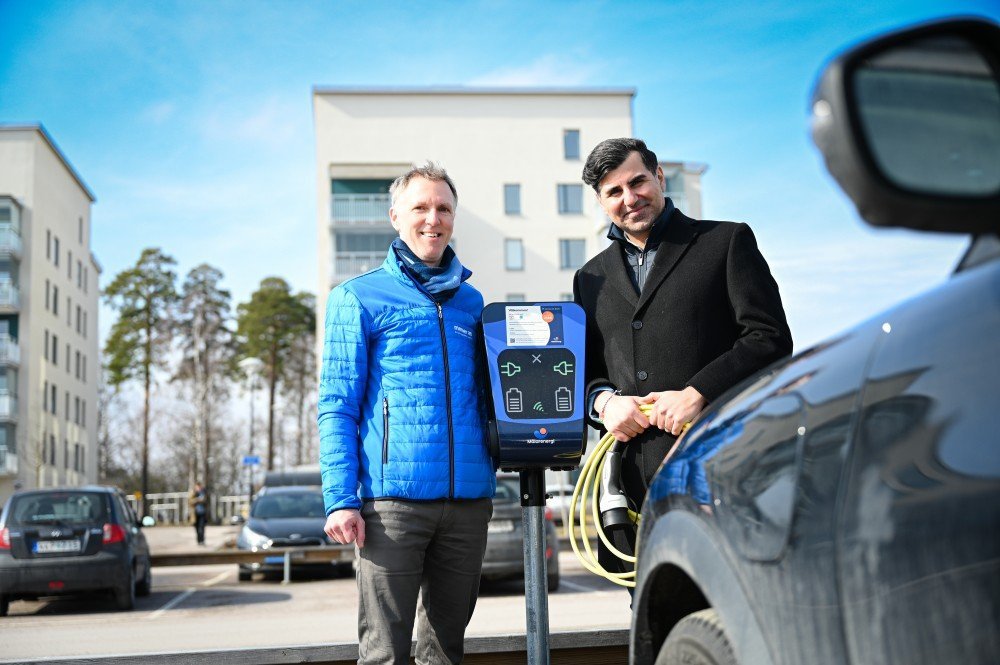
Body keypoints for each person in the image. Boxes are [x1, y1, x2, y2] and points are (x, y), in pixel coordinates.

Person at [573, 137, 793, 583]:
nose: (629, 198)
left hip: (721, 468)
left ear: (658, 176)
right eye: (613, 192)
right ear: (601, 202)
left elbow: (770, 338)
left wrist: (699, 393)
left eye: (637, 182)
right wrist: (605, 404)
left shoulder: (726, 242)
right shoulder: (589, 278)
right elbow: (586, 372)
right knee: (651, 615)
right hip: (635, 484)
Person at [319, 163, 495, 665]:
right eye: (420, 207)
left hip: (466, 505)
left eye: (443, 208)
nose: (432, 219)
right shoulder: (356, 297)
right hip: (390, 505)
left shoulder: (471, 302)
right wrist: (340, 499)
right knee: (384, 653)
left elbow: (484, 396)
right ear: (395, 215)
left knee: (445, 652)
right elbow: (337, 406)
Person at [189, 481, 207, 546]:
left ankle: (202, 540)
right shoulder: (193, 493)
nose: (199, 488)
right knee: (197, 528)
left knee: (201, 527)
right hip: (195, 514)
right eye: (197, 487)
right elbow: (190, 502)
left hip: (202, 513)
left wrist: (203, 500)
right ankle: (199, 540)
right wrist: (197, 500)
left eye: (199, 486)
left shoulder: (204, 492)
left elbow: (207, 502)